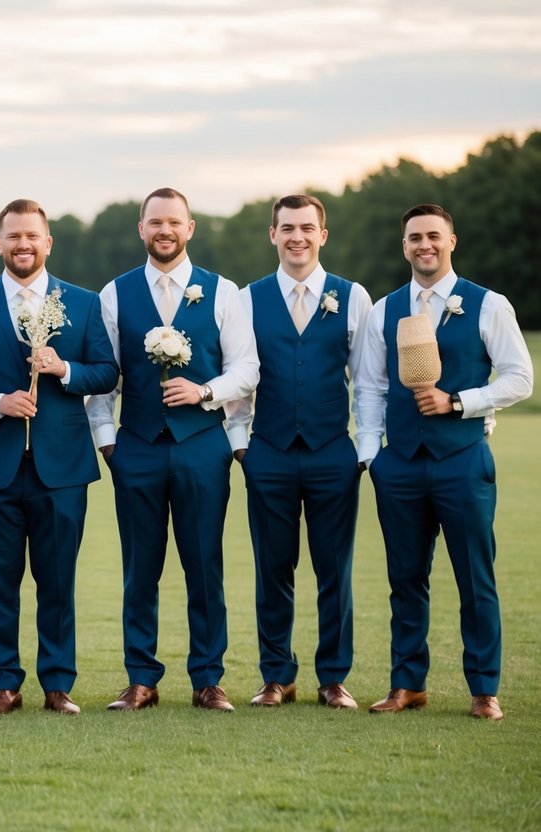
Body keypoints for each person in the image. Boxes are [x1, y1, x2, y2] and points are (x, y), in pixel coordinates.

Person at [354, 203, 533, 721]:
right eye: (414, 237)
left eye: (433, 236)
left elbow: (520, 378)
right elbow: (369, 386)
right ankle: (407, 683)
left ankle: (484, 688)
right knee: (405, 578)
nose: (423, 245)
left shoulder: (487, 304)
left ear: (451, 240)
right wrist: (373, 457)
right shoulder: (384, 310)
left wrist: (460, 402)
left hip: (463, 460)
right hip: (401, 464)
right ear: (404, 245)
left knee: (475, 577)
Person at [0, 198, 118, 716]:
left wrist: (64, 369)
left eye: (32, 236)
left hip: (62, 467)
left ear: (48, 243)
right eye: (13, 236)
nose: (23, 244)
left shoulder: (82, 303)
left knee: (58, 581)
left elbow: (106, 372)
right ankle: (3, 685)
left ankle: (58, 685)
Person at [88, 187, 259, 712]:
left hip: (202, 446)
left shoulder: (223, 292)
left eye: (174, 222)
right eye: (154, 222)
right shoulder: (114, 294)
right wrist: (108, 442)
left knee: (204, 564)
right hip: (135, 448)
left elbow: (247, 370)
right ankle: (142, 678)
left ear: (190, 229)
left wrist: (205, 392)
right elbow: (104, 378)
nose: (164, 230)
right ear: (141, 230)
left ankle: (208, 679)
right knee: (140, 567)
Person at [225, 195, 370, 710]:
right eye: (287, 227)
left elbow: (368, 381)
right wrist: (241, 445)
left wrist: (363, 449)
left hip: (334, 453)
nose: (297, 237)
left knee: (335, 570)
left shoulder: (353, 297)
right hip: (268, 452)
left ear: (322, 235)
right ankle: (276, 675)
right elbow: (240, 378)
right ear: (273, 234)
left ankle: (333, 677)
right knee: (273, 568)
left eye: (307, 228)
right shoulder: (246, 299)